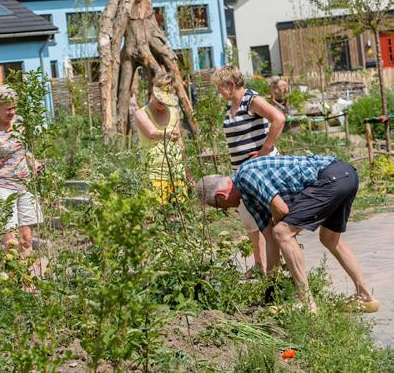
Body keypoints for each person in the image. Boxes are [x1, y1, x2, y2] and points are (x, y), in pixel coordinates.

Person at [196, 155, 380, 313]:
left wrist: (285, 232)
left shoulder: (245, 175)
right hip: (346, 176)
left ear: (221, 196)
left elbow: (281, 209)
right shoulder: (248, 197)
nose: (225, 209)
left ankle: (307, 304)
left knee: (283, 232)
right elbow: (269, 238)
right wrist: (271, 287)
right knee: (329, 239)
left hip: (332, 177)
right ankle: (366, 296)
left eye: (219, 207)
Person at [211, 66, 285, 275]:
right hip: (242, 173)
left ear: (231, 85)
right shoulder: (231, 106)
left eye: (220, 87)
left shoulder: (251, 100)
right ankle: (260, 264)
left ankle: (276, 269)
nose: (219, 92)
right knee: (250, 219)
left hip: (260, 171)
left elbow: (278, 119)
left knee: (270, 219)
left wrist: (264, 150)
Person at [0, 86, 44, 266]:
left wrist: (34, 164)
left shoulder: (19, 125)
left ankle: (28, 285)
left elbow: (25, 151)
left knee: (27, 239)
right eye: (8, 109)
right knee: (11, 242)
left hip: (25, 186)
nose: (12, 112)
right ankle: (14, 284)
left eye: (14, 108)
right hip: (2, 187)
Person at [130, 74, 188, 203]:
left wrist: (187, 170)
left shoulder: (174, 112)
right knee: (158, 213)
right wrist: (167, 134)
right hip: (154, 173)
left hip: (177, 171)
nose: (162, 101)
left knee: (181, 210)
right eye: (160, 95)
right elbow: (151, 132)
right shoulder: (141, 113)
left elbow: (180, 142)